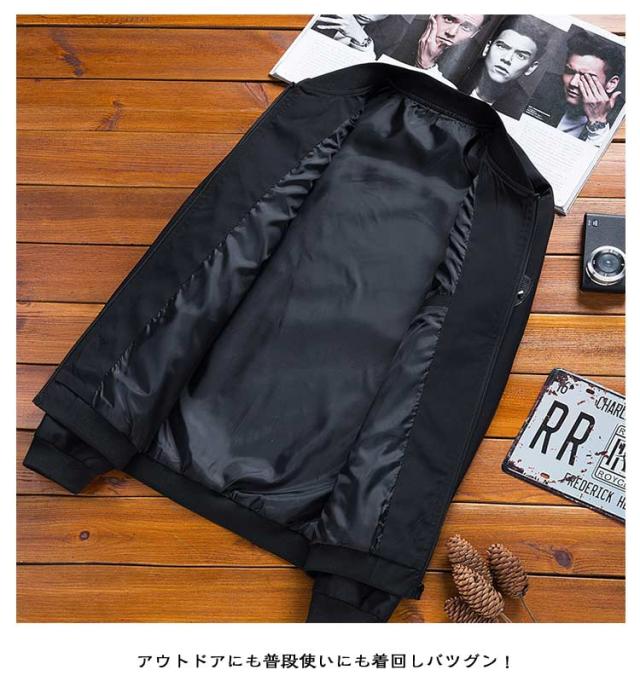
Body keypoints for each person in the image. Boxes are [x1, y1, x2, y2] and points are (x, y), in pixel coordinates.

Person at [526, 28, 624, 145]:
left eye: (587, 77)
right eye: (570, 71)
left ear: (611, 84)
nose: (573, 83)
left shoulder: (621, 119)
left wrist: (598, 121)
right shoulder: (546, 84)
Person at [465, 17, 549, 119]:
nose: (506, 59)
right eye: (502, 47)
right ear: (487, 48)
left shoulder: (521, 109)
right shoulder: (457, 73)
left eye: (520, 56)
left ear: (531, 68)